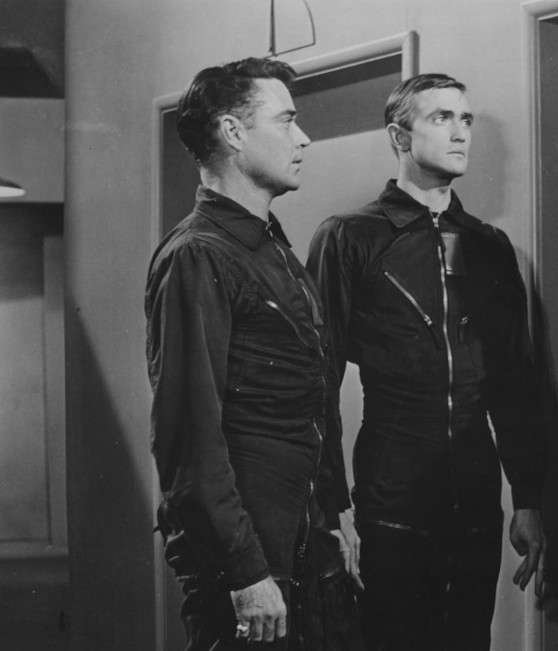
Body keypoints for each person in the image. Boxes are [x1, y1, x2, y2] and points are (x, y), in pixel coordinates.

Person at [306, 73, 546, 651]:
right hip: (391, 501)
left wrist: (529, 498)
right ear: (400, 136)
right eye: (442, 118)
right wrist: (332, 506)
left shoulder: (490, 246)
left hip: (477, 502)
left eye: (466, 120)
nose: (461, 132)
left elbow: (515, 383)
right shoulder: (350, 238)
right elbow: (317, 382)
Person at [146, 57, 355, 649]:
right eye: (286, 120)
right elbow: (189, 438)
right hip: (251, 563)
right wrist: (245, 573)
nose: (303, 137)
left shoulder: (271, 249)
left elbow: (312, 399)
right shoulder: (199, 255)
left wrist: (335, 513)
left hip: (303, 545)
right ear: (233, 132)